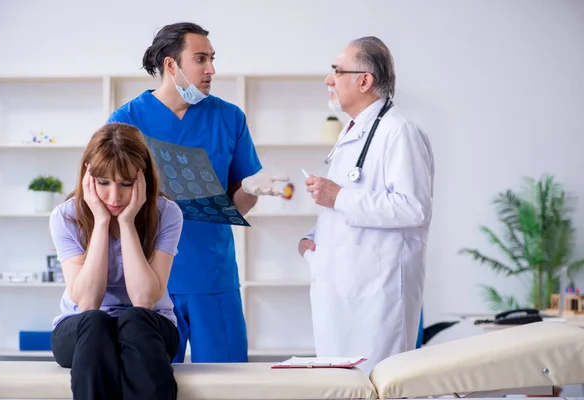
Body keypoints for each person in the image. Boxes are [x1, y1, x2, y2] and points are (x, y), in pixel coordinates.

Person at [107, 22, 287, 363]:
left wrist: (250, 189)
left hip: (212, 276)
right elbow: (109, 200)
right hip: (149, 279)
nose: (211, 69)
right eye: (200, 59)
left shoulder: (228, 118)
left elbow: (236, 205)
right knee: (154, 383)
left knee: (228, 384)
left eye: (212, 59)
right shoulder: (125, 122)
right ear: (171, 65)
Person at [299, 36, 435, 374]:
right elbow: (349, 204)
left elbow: (412, 208)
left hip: (378, 298)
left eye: (336, 71)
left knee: (379, 386)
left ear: (364, 80)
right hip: (342, 289)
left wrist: (337, 196)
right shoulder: (355, 132)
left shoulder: (399, 132)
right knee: (341, 387)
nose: (328, 80)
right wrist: (314, 239)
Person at [49, 122, 183, 400]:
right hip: (81, 329)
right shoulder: (65, 217)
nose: (114, 196)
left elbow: (144, 300)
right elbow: (86, 302)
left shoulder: (167, 213)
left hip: (150, 329)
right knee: (95, 322)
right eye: (103, 183)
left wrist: (126, 222)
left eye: (126, 184)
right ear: (88, 177)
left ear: (143, 179)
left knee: (135, 319)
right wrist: (100, 222)